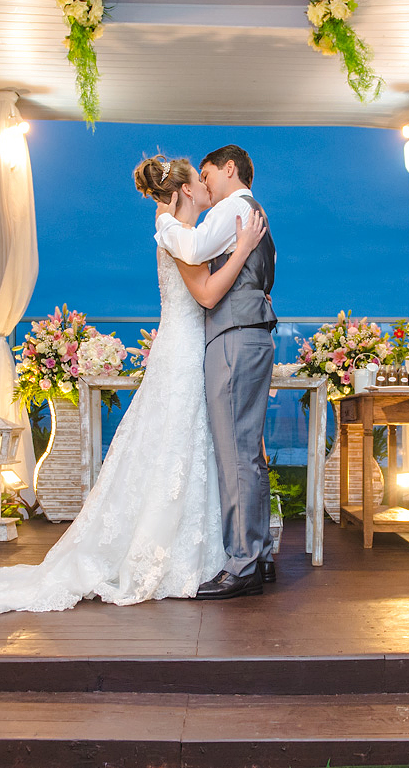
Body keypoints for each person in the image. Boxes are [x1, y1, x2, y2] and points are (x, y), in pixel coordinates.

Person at [0, 155, 267, 617]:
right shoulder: (176, 232)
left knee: (192, 449)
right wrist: (244, 246)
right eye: (201, 180)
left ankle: (226, 552)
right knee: (181, 447)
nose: (208, 187)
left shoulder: (185, 232)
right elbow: (206, 293)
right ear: (186, 190)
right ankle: (192, 552)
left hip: (191, 350)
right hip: (186, 352)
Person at [154, 144, 277, 600]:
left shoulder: (233, 210)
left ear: (229, 169)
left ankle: (242, 563)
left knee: (235, 453)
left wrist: (164, 220)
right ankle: (259, 556)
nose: (204, 183)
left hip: (234, 337)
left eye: (208, 174)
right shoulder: (251, 211)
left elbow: (194, 246)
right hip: (250, 334)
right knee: (249, 452)